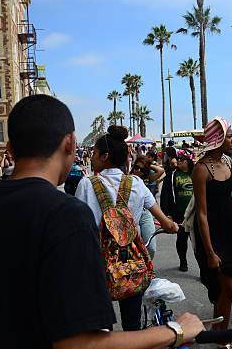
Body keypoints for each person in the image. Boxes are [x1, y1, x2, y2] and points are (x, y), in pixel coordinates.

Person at [0, 95, 203, 349]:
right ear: (70, 143)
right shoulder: (66, 214)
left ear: (10, 148)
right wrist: (175, 331)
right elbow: (79, 343)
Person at [76, 126, 178, 331]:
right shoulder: (137, 183)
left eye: (94, 154)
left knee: (101, 329)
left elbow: (80, 227)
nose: (93, 158)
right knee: (133, 324)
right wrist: (172, 226)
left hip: (97, 266)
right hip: (131, 265)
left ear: (105, 156)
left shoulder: (87, 184)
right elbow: (165, 222)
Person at [192, 117, 232, 339]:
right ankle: (224, 337)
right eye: (229, 136)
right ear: (217, 139)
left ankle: (217, 322)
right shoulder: (201, 170)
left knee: (230, 280)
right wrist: (210, 252)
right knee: (229, 288)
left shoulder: (230, 162)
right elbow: (201, 213)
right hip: (213, 234)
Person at [161, 149, 195, 271]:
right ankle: (183, 261)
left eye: (182, 159)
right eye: (178, 159)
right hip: (179, 213)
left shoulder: (196, 173)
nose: (178, 161)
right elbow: (165, 195)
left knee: (199, 242)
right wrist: (167, 214)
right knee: (181, 238)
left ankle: (203, 267)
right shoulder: (172, 175)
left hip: (195, 213)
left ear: (189, 161)